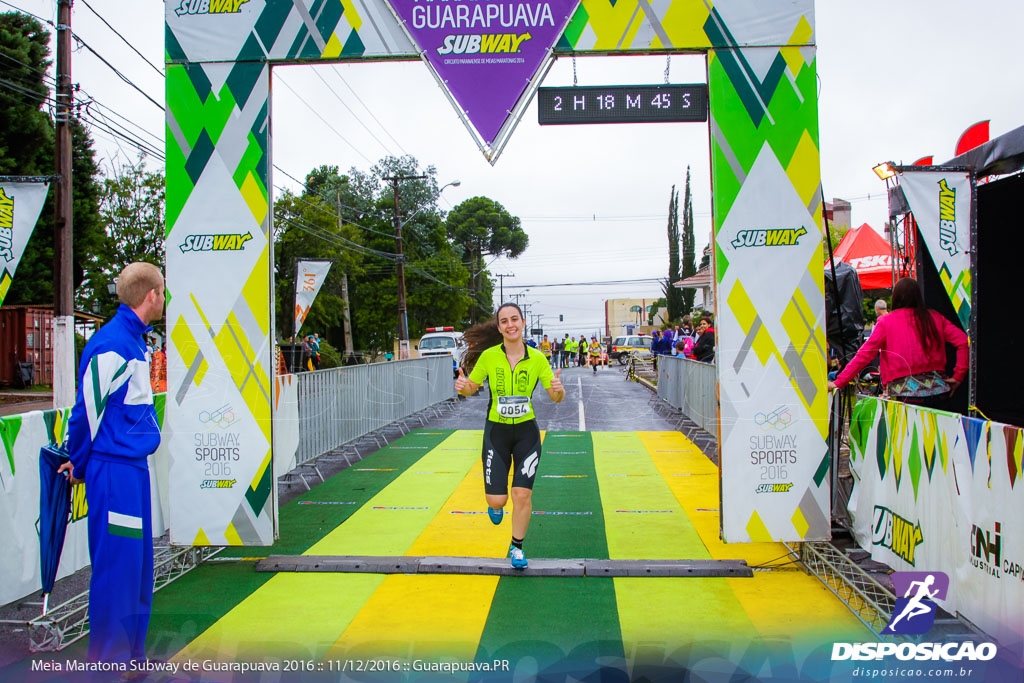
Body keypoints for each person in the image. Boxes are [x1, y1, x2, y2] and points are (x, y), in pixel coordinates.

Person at [57, 262, 164, 665]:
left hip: (132, 470)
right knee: (117, 570)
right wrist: (77, 462)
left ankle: (131, 658)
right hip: (114, 470)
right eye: (162, 291)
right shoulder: (110, 344)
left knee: (137, 569)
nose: (164, 297)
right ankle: (109, 663)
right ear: (150, 295)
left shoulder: (136, 341)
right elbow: (86, 413)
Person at [454, 303, 565, 569]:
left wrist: (558, 388)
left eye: (514, 319)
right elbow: (471, 388)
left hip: (526, 433)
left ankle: (516, 547)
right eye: (504, 321)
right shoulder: (490, 357)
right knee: (498, 500)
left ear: (523, 323)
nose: (510, 324)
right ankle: (494, 505)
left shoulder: (538, 358)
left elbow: (556, 397)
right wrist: (463, 386)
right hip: (497, 432)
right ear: (500, 327)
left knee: (521, 495)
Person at [829, 277, 967, 408]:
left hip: (905, 396)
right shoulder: (934, 317)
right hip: (940, 392)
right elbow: (963, 341)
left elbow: (864, 355)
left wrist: (839, 382)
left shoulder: (886, 322)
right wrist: (958, 376)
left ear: (895, 297)